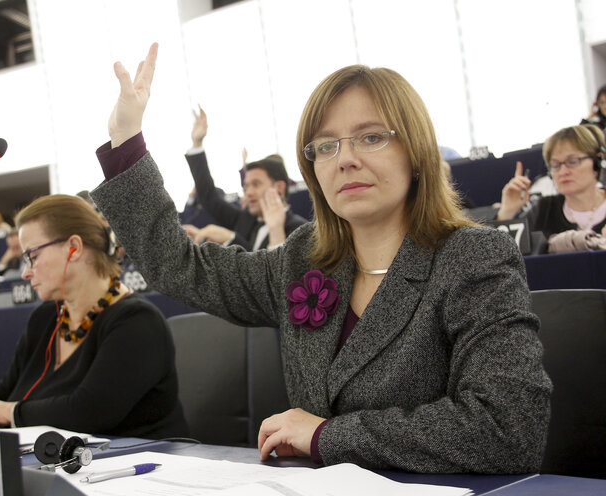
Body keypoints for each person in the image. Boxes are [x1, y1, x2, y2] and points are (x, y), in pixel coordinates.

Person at [90, 44, 550, 473]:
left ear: (416, 154)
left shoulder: (474, 258)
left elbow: (506, 428)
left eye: (370, 137)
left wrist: (328, 436)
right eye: (325, 146)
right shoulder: (303, 259)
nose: (344, 159)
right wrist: (126, 140)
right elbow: (180, 265)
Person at [0, 194, 188, 437]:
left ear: (74, 248)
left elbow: (89, 412)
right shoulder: (47, 317)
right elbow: (6, 392)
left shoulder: (136, 321)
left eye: (33, 256)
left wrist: (11, 412)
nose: (26, 272)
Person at [184, 107, 307, 250]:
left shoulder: (300, 231)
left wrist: (231, 238)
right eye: (246, 186)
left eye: (256, 184)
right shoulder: (245, 218)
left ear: (279, 187)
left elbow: (274, 271)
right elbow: (209, 196)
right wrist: (197, 144)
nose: (248, 193)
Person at [496, 124, 606, 238]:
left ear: (597, 162)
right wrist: (506, 213)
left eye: (572, 161)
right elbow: (498, 251)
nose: (563, 172)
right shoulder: (542, 210)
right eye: (555, 165)